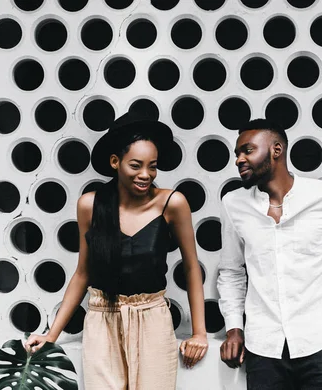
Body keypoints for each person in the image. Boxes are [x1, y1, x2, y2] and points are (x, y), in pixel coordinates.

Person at [26, 112, 208, 390]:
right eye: (136, 165)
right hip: (102, 319)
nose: (146, 175)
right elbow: (82, 273)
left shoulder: (173, 203)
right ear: (115, 162)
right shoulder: (90, 205)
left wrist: (199, 333)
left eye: (153, 166)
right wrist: (52, 334)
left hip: (153, 318)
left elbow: (192, 267)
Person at [217, 119, 322, 389]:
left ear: (276, 150)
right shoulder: (233, 204)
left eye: (247, 150)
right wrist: (233, 329)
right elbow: (231, 271)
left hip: (320, 342)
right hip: (263, 347)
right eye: (237, 154)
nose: (239, 159)